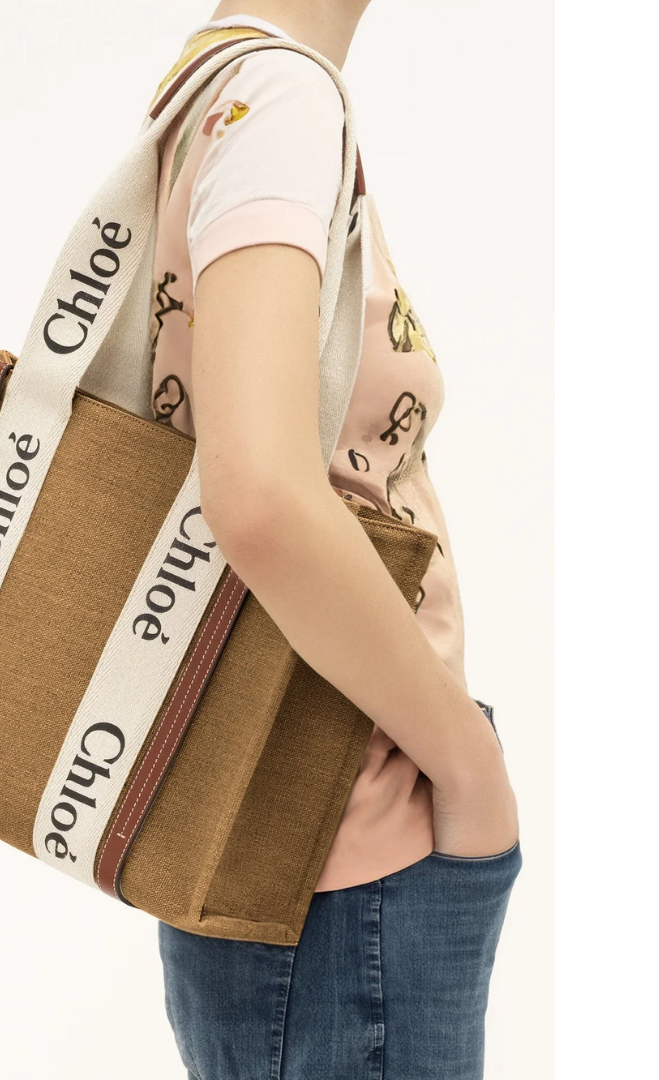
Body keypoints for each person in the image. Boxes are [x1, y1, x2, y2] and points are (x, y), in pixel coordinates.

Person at [148, 4, 521, 1078]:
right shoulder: (278, 104)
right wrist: (464, 765)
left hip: (275, 828)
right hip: (350, 852)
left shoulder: (216, 91)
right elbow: (258, 493)